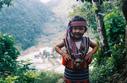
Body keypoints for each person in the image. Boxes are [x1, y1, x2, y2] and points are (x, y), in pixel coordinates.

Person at [55, 16, 98, 83]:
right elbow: (57, 47)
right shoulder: (67, 41)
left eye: (81, 29)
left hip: (83, 70)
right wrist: (63, 54)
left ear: (85, 30)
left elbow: (95, 46)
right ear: (71, 29)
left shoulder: (87, 40)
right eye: (75, 28)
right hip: (70, 70)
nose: (77, 31)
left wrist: (90, 53)